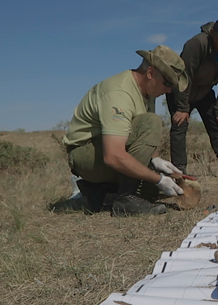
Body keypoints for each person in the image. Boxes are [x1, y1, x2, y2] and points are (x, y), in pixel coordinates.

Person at [63, 45, 188, 216]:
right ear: (150, 73)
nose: (168, 90)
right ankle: (125, 199)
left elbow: (138, 134)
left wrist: (155, 159)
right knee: (151, 122)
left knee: (153, 192)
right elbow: (113, 155)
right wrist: (158, 179)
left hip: (103, 151)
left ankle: (100, 190)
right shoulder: (119, 93)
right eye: (167, 83)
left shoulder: (147, 91)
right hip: (86, 154)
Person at [166, 18, 218, 181]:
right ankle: (179, 171)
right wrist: (182, 107)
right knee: (179, 124)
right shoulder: (197, 43)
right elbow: (184, 76)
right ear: (213, 33)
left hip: (204, 91)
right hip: (181, 90)